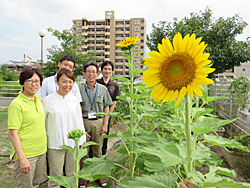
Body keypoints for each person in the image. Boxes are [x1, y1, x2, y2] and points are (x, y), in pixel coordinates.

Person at [42, 68, 86, 188]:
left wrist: (82, 142)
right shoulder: (47, 101)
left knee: (72, 175)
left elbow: (79, 121)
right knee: (56, 176)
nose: (67, 85)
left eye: (70, 82)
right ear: (57, 82)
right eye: (64, 81)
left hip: (73, 144)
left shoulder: (74, 100)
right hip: (55, 144)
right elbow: (43, 123)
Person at [8, 67, 47, 188]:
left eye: (37, 81)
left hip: (41, 151)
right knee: (26, 186)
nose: (34, 84)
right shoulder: (16, 104)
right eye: (29, 81)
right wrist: (22, 159)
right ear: (22, 83)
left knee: (35, 184)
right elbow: (13, 134)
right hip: (27, 154)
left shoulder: (38, 99)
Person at [79, 62, 113, 188]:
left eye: (94, 71)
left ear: (98, 74)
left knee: (98, 151)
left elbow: (107, 107)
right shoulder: (79, 90)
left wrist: (105, 124)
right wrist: (80, 128)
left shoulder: (103, 89)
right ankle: (85, 177)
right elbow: (78, 108)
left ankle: (98, 175)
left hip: (99, 122)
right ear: (84, 74)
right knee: (84, 152)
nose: (91, 74)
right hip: (84, 122)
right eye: (88, 71)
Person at [96, 61, 119, 155]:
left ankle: (103, 155)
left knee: (105, 136)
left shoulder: (115, 86)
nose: (107, 71)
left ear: (112, 71)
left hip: (107, 115)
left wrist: (108, 116)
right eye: (105, 69)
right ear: (101, 70)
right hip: (96, 114)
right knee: (95, 136)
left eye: (109, 69)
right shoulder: (97, 83)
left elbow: (114, 102)